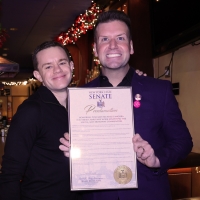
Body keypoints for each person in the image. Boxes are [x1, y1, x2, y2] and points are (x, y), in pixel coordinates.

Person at [59, 10, 193, 200]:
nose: (112, 45)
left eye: (120, 38)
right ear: (95, 50)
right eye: (104, 39)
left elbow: (183, 142)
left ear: (130, 47)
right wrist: (73, 149)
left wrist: (156, 159)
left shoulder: (159, 91)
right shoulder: (80, 98)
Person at [0, 41, 82, 200]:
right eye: (48, 66)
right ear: (38, 75)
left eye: (62, 62)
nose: (57, 69)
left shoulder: (83, 106)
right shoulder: (31, 111)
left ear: (71, 66)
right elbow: (10, 174)